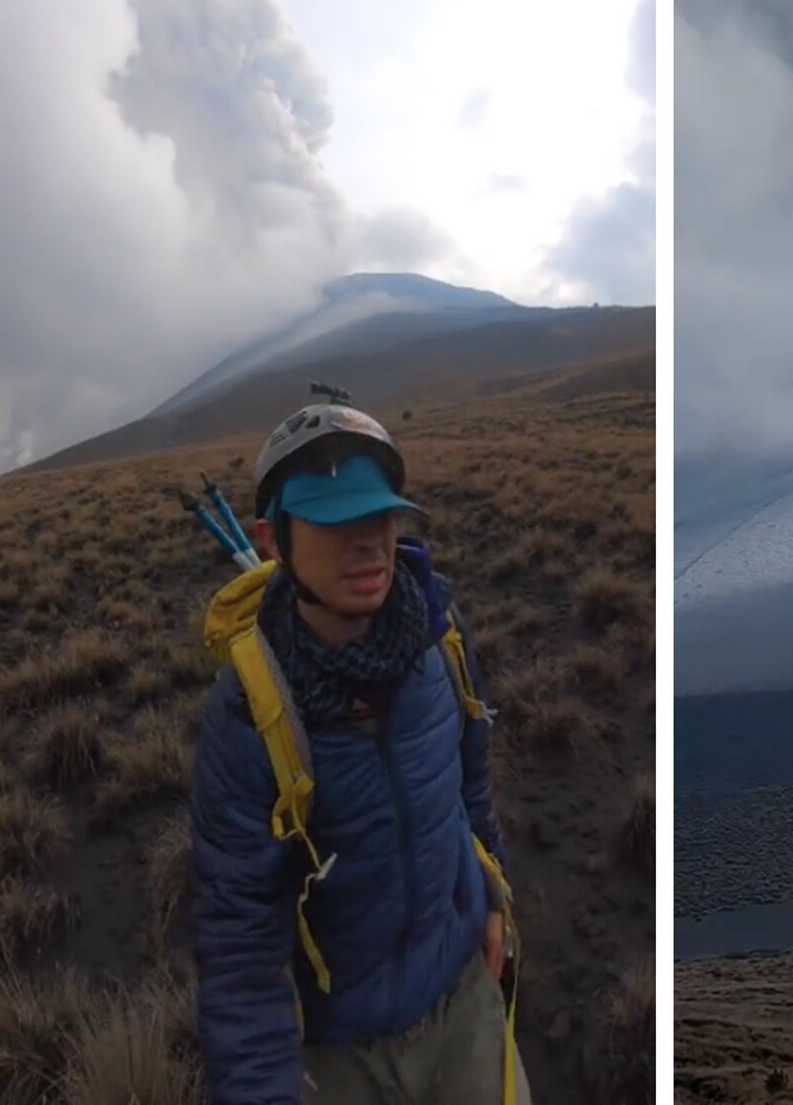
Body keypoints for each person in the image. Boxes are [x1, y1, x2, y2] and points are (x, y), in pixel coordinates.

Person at [189, 395, 530, 1104]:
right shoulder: (250, 714)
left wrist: (491, 898)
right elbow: (240, 949)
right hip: (340, 1051)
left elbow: (465, 783)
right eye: (334, 519)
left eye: (380, 513)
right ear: (272, 537)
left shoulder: (440, 636)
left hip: (464, 997)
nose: (369, 540)